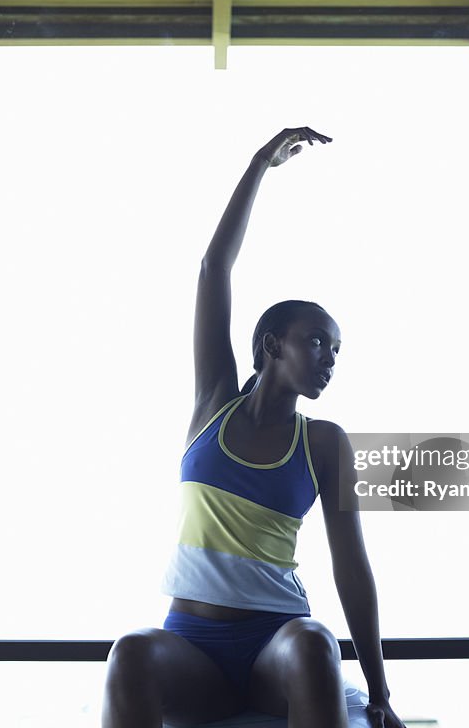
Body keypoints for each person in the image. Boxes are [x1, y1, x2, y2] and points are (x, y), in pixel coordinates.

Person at [101, 128, 404, 728]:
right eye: (317, 341)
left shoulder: (323, 442)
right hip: (193, 645)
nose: (328, 358)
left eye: (337, 351)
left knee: (316, 642)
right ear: (271, 345)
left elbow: (353, 567)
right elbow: (214, 268)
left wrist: (380, 691)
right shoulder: (213, 402)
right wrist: (259, 165)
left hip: (276, 645)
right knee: (129, 652)